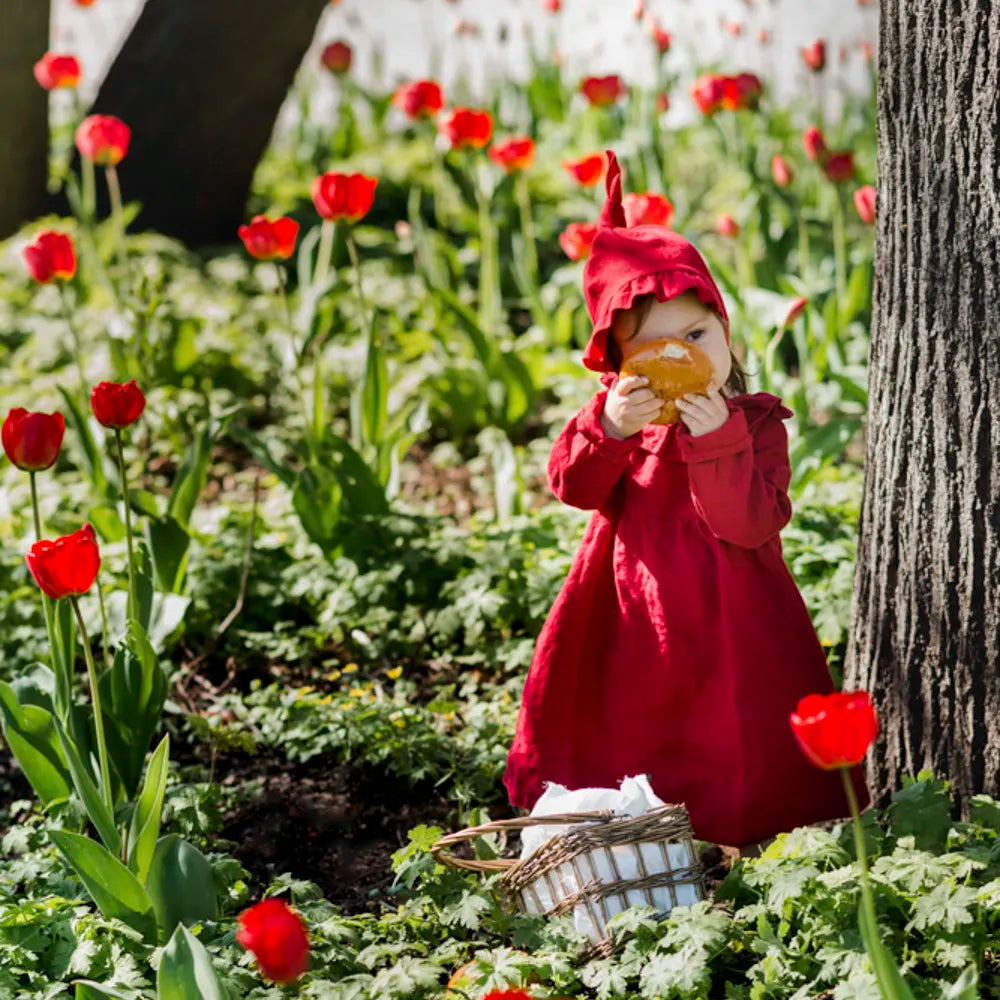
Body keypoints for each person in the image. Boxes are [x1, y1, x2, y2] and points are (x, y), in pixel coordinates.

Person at [503, 150, 870, 854]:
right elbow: (571, 487)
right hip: (630, 616)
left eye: (698, 336)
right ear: (619, 364)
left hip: (736, 614)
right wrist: (610, 427)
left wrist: (719, 443)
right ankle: (637, 835)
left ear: (726, 332)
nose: (683, 357)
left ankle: (738, 838)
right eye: (655, 349)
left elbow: (749, 523)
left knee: (733, 727)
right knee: (634, 726)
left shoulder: (756, 424)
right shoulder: (619, 419)